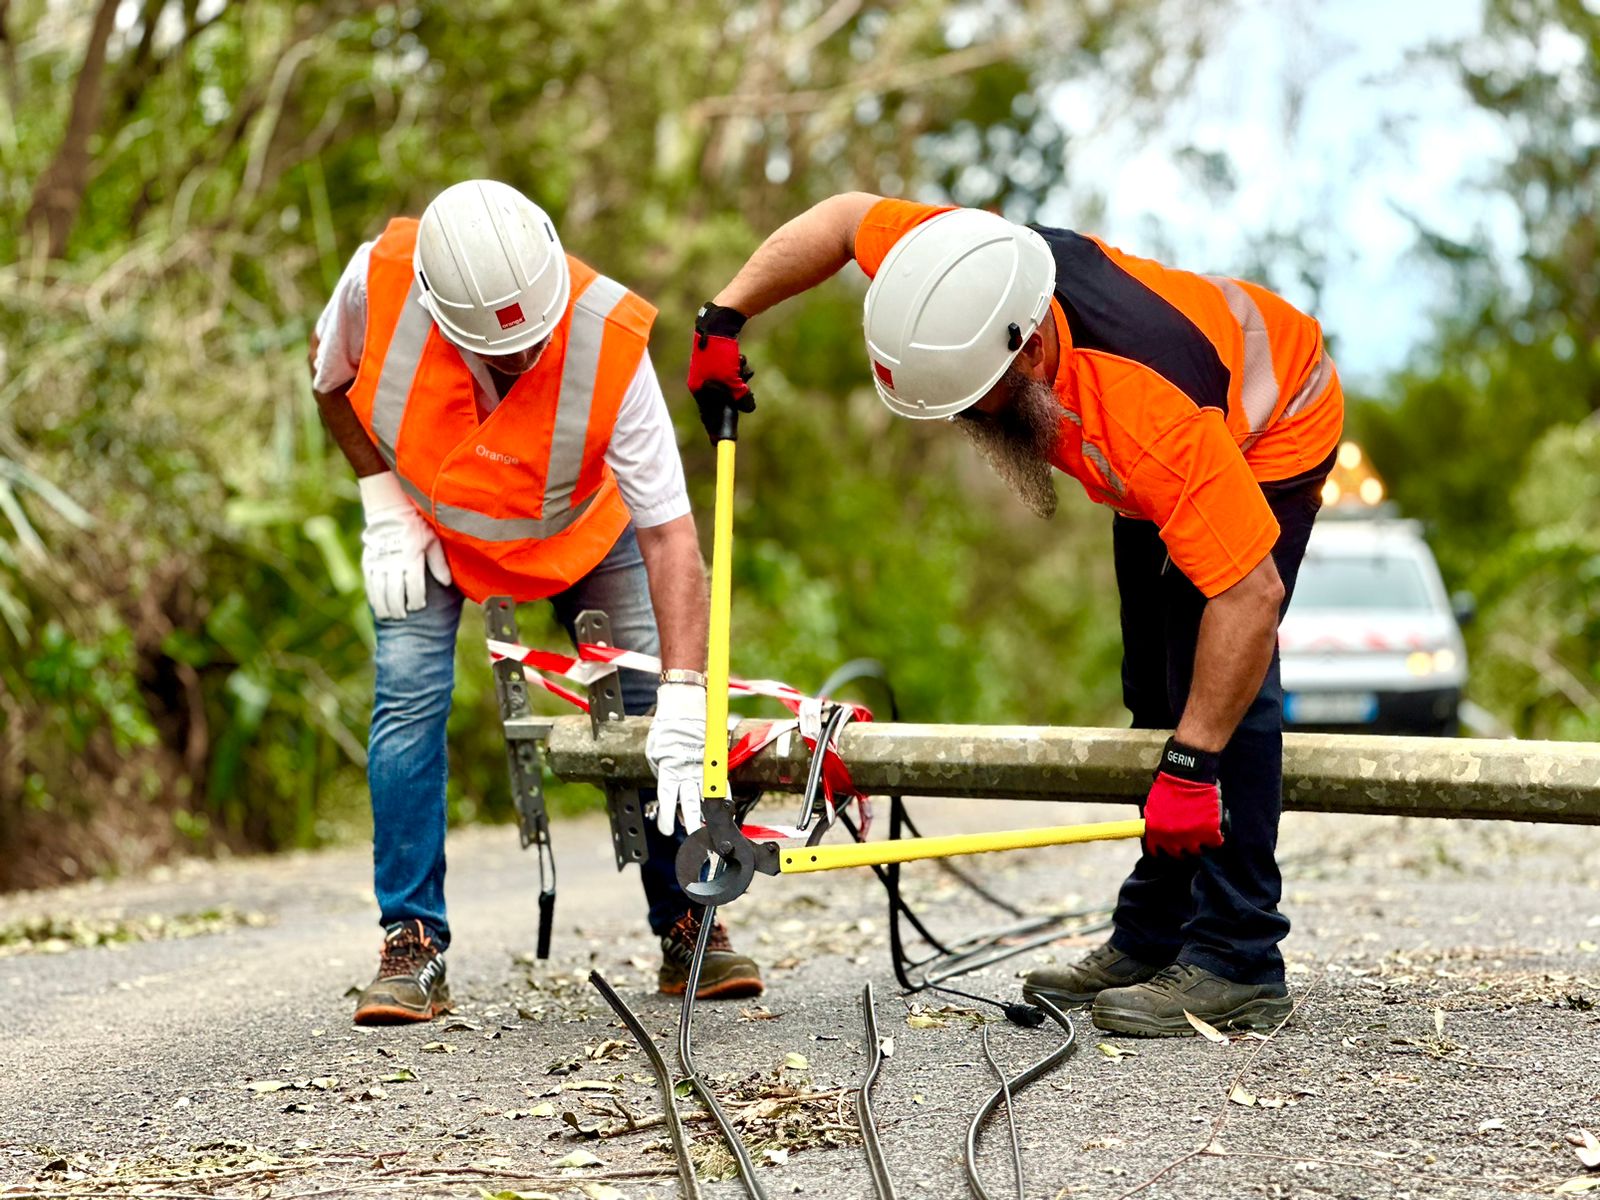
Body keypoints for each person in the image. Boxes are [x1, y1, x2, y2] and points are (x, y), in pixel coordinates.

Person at [686, 193, 1342, 1036]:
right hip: (1172, 444)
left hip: (1274, 419)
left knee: (1218, 695)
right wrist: (724, 316)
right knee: (1154, 687)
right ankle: (1154, 934)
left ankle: (1238, 957)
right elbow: (846, 221)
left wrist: (1193, 762)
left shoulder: (1146, 413)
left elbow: (1250, 597)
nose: (967, 420)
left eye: (975, 400)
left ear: (1030, 352)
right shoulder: (956, 272)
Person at [310, 180, 762, 1024]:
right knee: (407, 700)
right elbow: (328, 381)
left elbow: (671, 538)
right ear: (444, 314)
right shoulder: (377, 283)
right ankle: (411, 941)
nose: (526, 360)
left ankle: (691, 918)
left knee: (646, 709)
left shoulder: (605, 338)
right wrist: (381, 504)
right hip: (432, 523)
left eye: (536, 342)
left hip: (583, 529)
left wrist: (683, 695)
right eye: (502, 353)